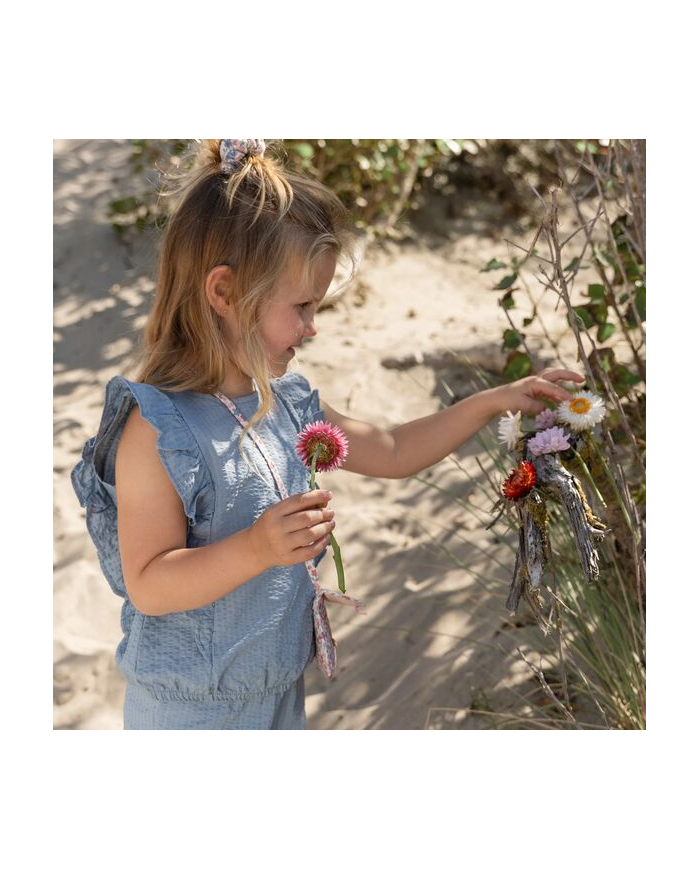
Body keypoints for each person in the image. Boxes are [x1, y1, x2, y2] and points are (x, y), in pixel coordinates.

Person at [71, 138, 584, 730]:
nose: (312, 328)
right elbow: (150, 584)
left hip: (279, 693)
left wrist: (493, 401)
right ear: (225, 292)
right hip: (188, 711)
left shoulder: (286, 403)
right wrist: (256, 549)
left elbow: (391, 450)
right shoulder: (158, 427)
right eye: (302, 306)